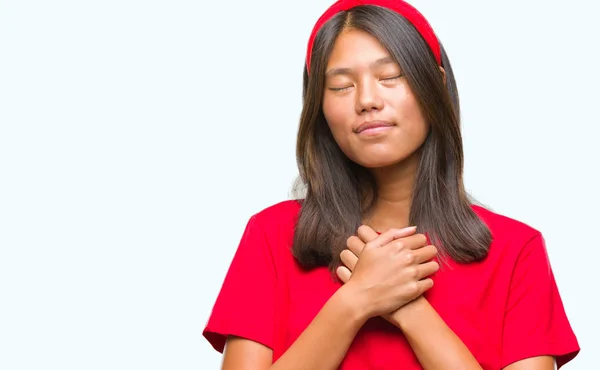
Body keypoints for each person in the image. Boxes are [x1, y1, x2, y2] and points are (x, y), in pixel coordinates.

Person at [202, 0, 580, 369]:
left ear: (436, 85)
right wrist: (356, 300)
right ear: (319, 107)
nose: (367, 100)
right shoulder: (271, 236)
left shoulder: (516, 252)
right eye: (341, 86)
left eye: (390, 76)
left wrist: (410, 308)